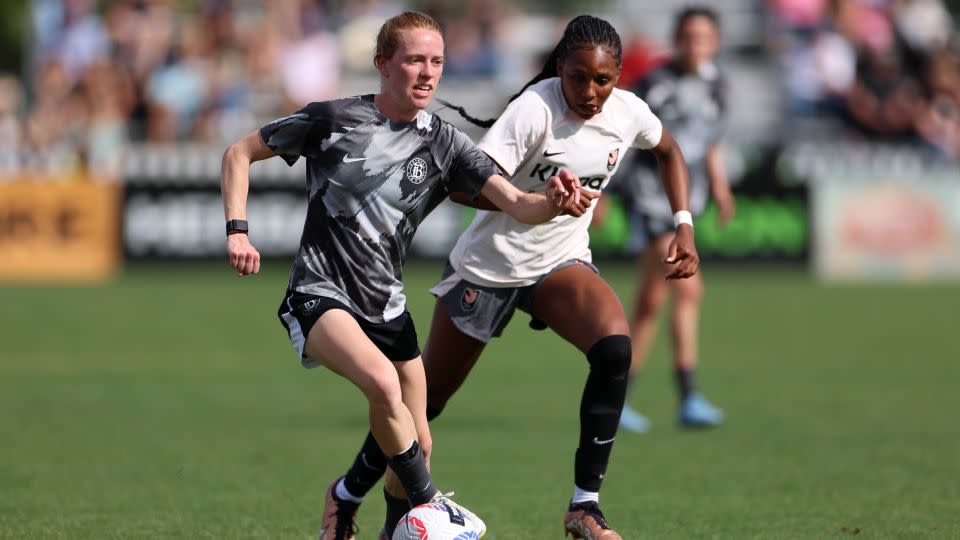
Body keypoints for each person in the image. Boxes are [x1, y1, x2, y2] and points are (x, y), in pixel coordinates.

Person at [320, 15, 701, 540]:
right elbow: (465, 186)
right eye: (578, 78)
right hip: (488, 268)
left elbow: (669, 150)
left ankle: (585, 506)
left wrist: (684, 224)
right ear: (559, 68)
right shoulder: (532, 111)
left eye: (604, 80)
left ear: (617, 76)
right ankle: (346, 496)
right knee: (422, 403)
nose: (590, 92)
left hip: (558, 263)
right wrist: (541, 200)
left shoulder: (628, 112)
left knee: (615, 348)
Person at [219, 11, 582, 540]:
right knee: (384, 388)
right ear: (383, 64)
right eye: (414, 59)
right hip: (319, 294)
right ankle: (434, 506)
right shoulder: (334, 118)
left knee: (418, 446)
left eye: (436, 61)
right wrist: (237, 230)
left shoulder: (446, 143)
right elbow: (238, 153)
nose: (427, 72)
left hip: (386, 306)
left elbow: (519, 205)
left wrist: (554, 202)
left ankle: (390, 525)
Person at [610, 7, 735, 432]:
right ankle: (688, 395)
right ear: (677, 39)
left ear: (714, 42)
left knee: (650, 302)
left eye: (703, 37)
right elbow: (624, 135)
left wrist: (719, 185)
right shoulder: (657, 84)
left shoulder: (718, 84)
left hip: (687, 199)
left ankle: (618, 397)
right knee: (687, 286)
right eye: (688, 36)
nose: (695, 44)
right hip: (650, 195)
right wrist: (604, 191)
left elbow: (710, 140)